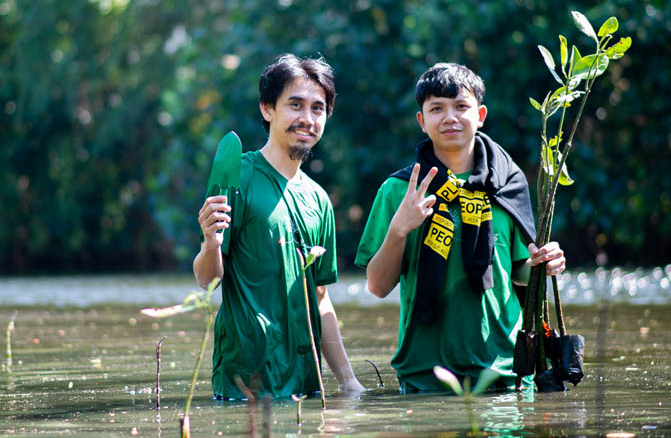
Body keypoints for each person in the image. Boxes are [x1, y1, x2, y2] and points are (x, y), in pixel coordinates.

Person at [355, 63, 566, 392]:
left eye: (461, 106)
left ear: (480, 115)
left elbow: (519, 274)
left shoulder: (507, 185)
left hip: (506, 372)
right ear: (422, 121)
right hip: (425, 375)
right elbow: (378, 287)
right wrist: (399, 230)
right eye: (436, 108)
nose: (449, 117)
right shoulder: (399, 191)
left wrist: (547, 264)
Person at [194, 54, 364, 399]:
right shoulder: (237, 175)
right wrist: (209, 244)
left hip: (305, 385)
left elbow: (320, 298)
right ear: (267, 109)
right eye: (296, 105)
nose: (307, 118)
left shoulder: (319, 200)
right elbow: (207, 279)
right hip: (247, 386)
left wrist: (348, 381)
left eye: (318, 109)